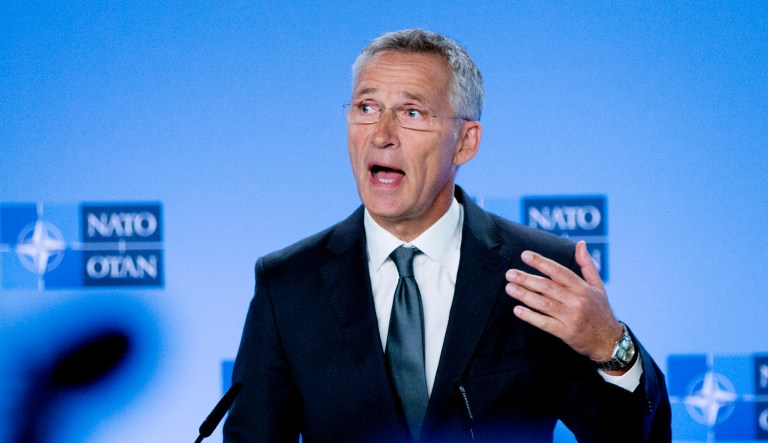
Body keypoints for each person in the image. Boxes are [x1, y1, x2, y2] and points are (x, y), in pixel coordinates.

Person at [223, 29, 671, 442]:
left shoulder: (539, 271)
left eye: (411, 113)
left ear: (465, 142)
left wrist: (612, 347)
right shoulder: (288, 284)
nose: (381, 135)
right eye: (366, 108)